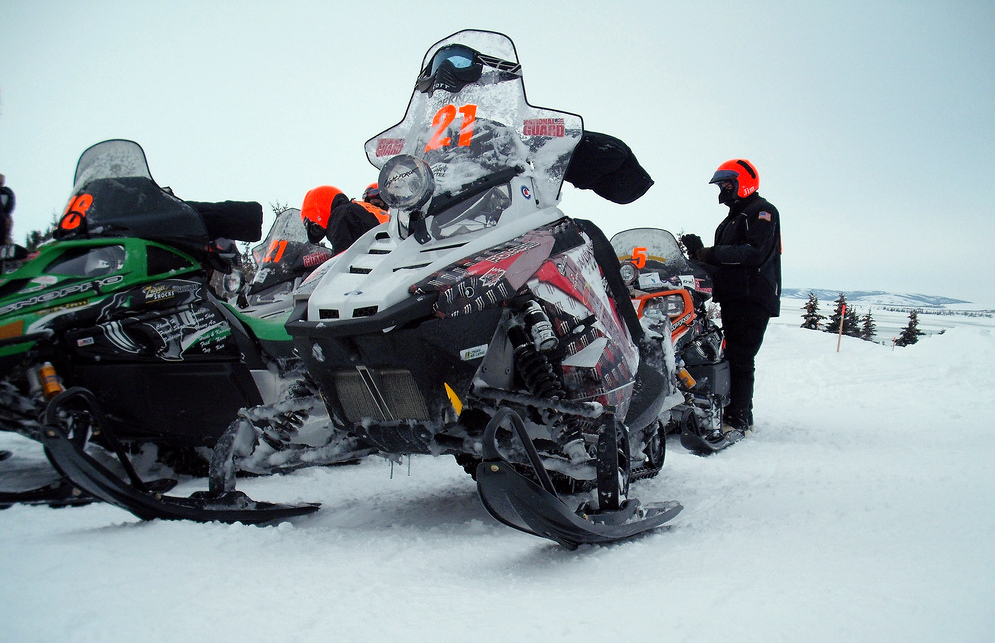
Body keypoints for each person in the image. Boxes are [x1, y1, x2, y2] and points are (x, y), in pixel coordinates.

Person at [681, 159, 781, 435]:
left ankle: (739, 417)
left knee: (740, 357)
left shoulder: (762, 212)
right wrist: (694, 256)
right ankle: (721, 407)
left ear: (744, 183)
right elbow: (724, 263)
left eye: (727, 184)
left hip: (752, 298)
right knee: (722, 353)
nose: (723, 190)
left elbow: (753, 253)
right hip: (734, 296)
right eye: (722, 185)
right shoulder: (735, 218)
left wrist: (708, 253)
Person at [301, 184, 388, 255]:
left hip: (382, 256)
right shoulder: (360, 209)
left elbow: (342, 258)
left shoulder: (341, 214)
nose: (319, 230)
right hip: (389, 251)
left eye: (316, 226)